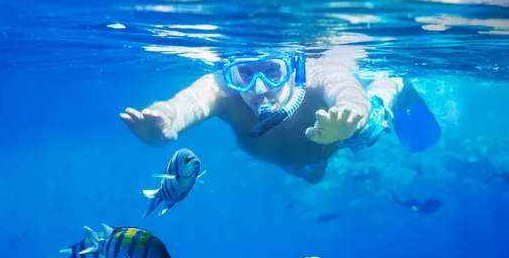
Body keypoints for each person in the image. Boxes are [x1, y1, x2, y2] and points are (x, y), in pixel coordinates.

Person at [120, 52, 440, 184]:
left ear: (293, 69)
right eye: (244, 73)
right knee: (313, 177)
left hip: (346, 130)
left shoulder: (317, 73)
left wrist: (351, 118)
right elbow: (188, 102)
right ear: (229, 73)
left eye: (273, 71)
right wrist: (165, 119)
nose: (259, 87)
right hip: (299, 161)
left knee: (370, 126)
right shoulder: (222, 89)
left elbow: (345, 90)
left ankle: (391, 84)